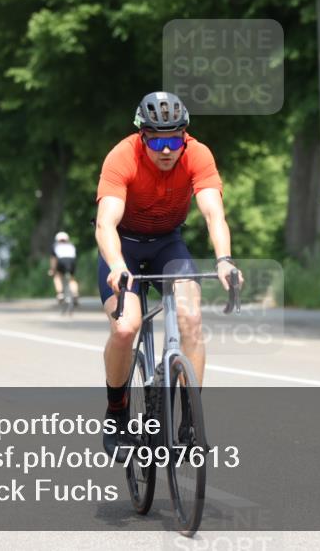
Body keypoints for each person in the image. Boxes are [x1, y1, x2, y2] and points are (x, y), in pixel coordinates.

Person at [95, 91, 237, 453]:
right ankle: (117, 414)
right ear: (142, 136)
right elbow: (105, 224)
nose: (166, 149)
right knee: (126, 328)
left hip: (166, 244)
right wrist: (116, 266)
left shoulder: (198, 154)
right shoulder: (122, 155)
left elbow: (213, 214)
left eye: (174, 139)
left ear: (184, 136)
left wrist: (224, 260)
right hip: (123, 245)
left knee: (191, 318)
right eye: (157, 139)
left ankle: (190, 421)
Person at [48, 232, 78, 305]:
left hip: (61, 261)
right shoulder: (72, 245)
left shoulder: (55, 246)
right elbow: (75, 256)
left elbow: (53, 259)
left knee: (57, 276)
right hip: (71, 261)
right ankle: (75, 294)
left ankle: (60, 293)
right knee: (72, 279)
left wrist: (52, 269)